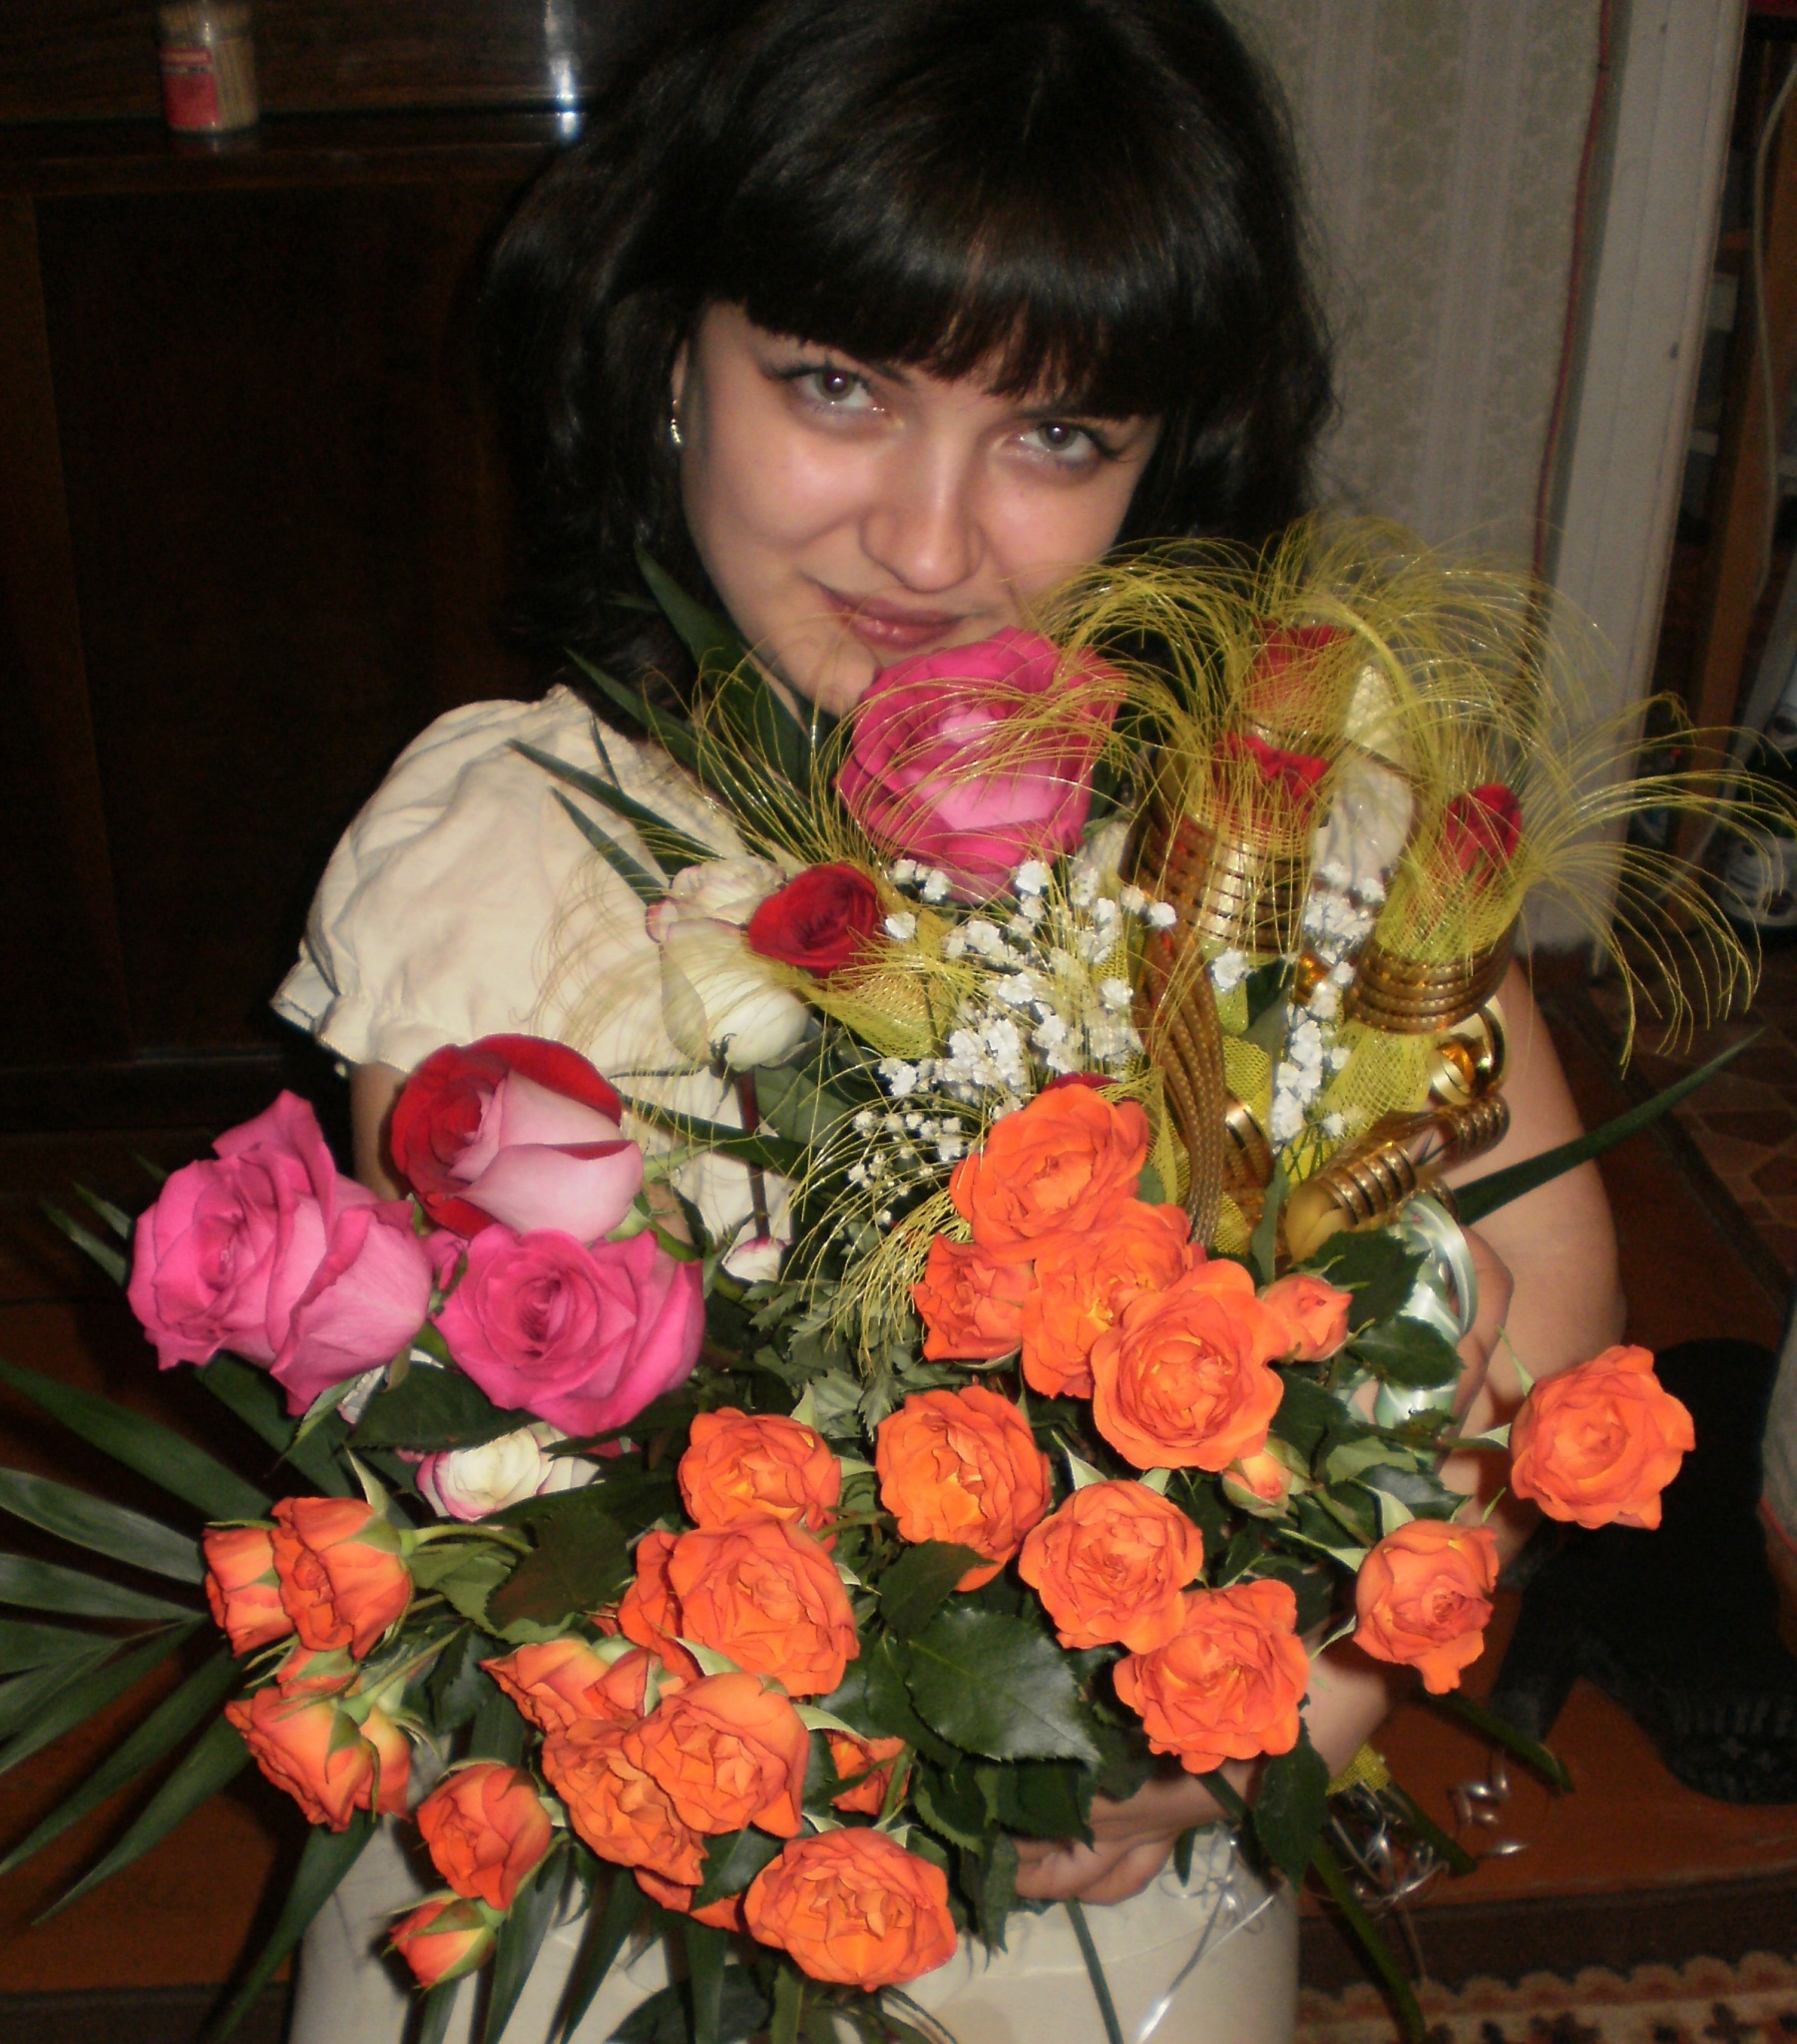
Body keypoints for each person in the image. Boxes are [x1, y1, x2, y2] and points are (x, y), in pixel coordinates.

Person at [273, 3, 1624, 2038]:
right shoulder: (513, 853)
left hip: (1139, 1839)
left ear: (1166, 452)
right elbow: (473, 1454)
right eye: (836, 386)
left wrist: (1281, 1708)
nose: (924, 542)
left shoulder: (1290, 817)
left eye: (1055, 435)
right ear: (668, 353)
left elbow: (1547, 1303)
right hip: (627, 1835)